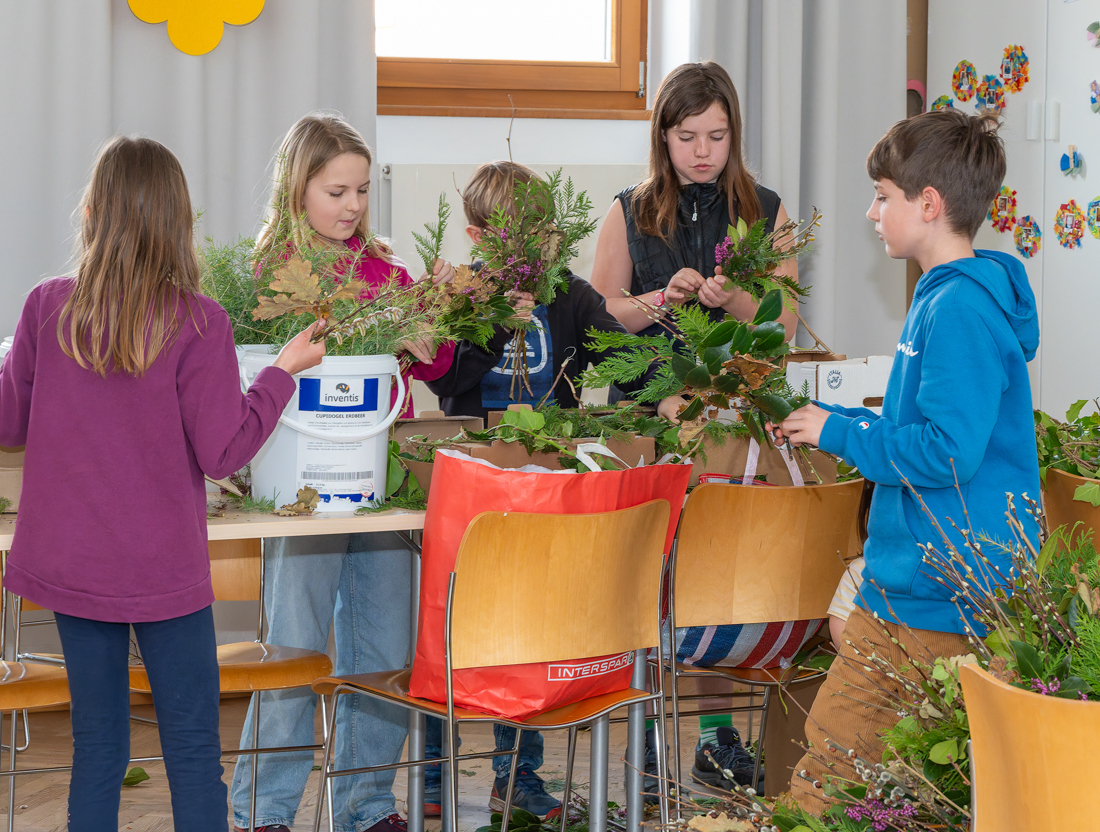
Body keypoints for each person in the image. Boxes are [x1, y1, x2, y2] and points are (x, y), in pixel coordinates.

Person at [0, 135, 325, 831]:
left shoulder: (45, 307)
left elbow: (7, 424)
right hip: (163, 570)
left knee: (97, 749)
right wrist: (280, 374)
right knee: (192, 750)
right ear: (180, 222)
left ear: (91, 214)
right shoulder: (200, 321)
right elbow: (224, 452)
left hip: (73, 567)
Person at [773, 108, 1040, 812]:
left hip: (943, 592)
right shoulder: (945, 297)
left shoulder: (959, 311)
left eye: (882, 196)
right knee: (866, 778)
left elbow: (947, 454)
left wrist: (841, 435)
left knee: (833, 780)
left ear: (928, 204)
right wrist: (837, 422)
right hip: (918, 581)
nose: (871, 212)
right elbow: (918, 430)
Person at [229, 113, 455, 832]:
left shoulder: (387, 271)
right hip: (301, 494)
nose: (353, 205)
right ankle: (263, 810)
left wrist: (434, 315)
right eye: (337, 192)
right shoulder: (267, 276)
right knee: (293, 648)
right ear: (298, 190)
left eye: (361, 190)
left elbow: (436, 366)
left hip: (381, 488)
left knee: (383, 648)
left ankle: (365, 804)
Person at [590, 59, 804, 790]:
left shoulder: (766, 209)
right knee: (647, 581)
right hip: (648, 419)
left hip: (728, 423)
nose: (703, 151)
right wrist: (662, 298)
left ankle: (715, 741)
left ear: (734, 133)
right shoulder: (628, 211)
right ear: (663, 137)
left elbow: (784, 322)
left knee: (716, 582)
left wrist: (732, 297)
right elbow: (600, 317)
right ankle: (645, 738)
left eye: (716, 135)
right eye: (687, 138)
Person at [421, 159, 651, 821]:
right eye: (510, 243)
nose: (529, 256)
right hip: (471, 491)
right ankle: (432, 771)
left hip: (542, 498)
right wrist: (496, 321)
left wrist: (672, 384)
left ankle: (516, 776)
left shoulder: (569, 296)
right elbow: (447, 382)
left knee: (526, 632)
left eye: (540, 239)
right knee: (447, 626)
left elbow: (620, 354)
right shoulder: (462, 297)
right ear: (476, 238)